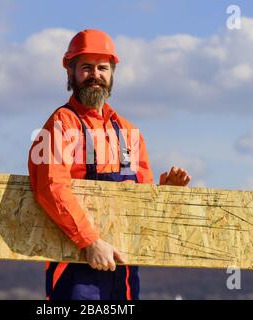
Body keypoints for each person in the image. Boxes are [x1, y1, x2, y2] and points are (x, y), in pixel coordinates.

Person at [28, 29, 191, 300]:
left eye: (102, 68)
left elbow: (140, 201)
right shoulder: (61, 124)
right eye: (86, 68)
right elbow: (51, 187)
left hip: (124, 266)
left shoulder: (128, 132)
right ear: (70, 73)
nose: (95, 75)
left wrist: (167, 194)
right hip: (75, 264)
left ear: (112, 73)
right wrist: (90, 242)